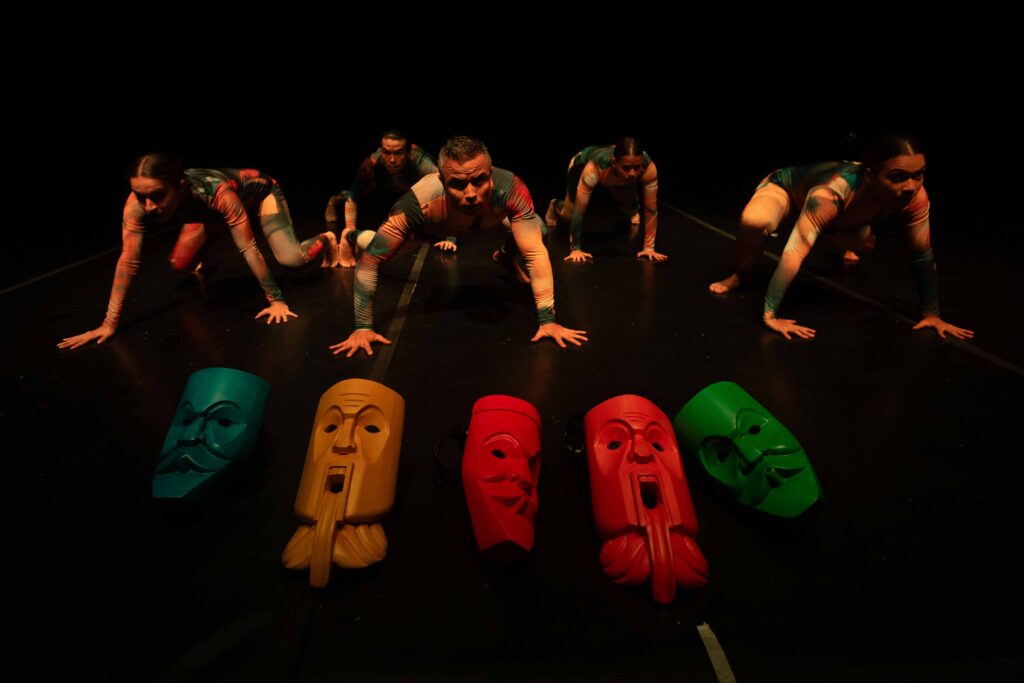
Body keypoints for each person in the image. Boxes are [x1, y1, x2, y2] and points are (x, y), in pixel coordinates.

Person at [330, 136, 588, 357]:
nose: (471, 193)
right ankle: (350, 236)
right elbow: (370, 261)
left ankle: (505, 257)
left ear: (490, 173)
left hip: (487, 218)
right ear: (442, 180)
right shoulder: (416, 204)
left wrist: (548, 320)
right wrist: (363, 327)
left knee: (538, 231)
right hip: (426, 230)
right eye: (458, 184)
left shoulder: (511, 188)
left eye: (479, 180)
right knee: (374, 247)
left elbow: (535, 253)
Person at [708, 135, 974, 341]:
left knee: (866, 246)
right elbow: (794, 253)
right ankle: (741, 274)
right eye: (897, 177)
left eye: (919, 175)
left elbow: (921, 253)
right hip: (785, 192)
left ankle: (832, 234)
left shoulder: (915, 197)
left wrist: (931, 313)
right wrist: (770, 314)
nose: (910, 187)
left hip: (837, 218)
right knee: (755, 222)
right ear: (870, 176)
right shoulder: (831, 193)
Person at [58, 154, 336, 349]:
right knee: (180, 265)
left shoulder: (217, 193)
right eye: (141, 196)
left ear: (180, 188)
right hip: (208, 213)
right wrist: (108, 324)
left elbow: (249, 248)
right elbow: (128, 261)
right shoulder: (137, 203)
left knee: (292, 260)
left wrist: (276, 300)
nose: (149, 206)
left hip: (261, 195)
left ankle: (327, 240)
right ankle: (212, 240)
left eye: (157, 196)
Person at [324, 130, 443, 267]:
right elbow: (353, 196)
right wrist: (349, 233)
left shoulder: (424, 165)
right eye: (386, 152)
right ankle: (334, 201)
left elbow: (445, 196)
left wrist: (448, 236)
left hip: (412, 186)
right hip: (384, 182)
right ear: (381, 150)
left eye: (398, 153)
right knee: (357, 194)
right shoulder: (373, 163)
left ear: (409, 152)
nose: (392, 160)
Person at [546, 137, 665, 263]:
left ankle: (631, 209)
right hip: (579, 167)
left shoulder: (648, 168)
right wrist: (575, 249)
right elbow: (579, 211)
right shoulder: (593, 168)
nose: (633, 174)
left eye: (637, 167)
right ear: (614, 162)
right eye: (626, 168)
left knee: (631, 210)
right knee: (569, 216)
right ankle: (555, 205)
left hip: (613, 174)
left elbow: (651, 210)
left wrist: (649, 248)